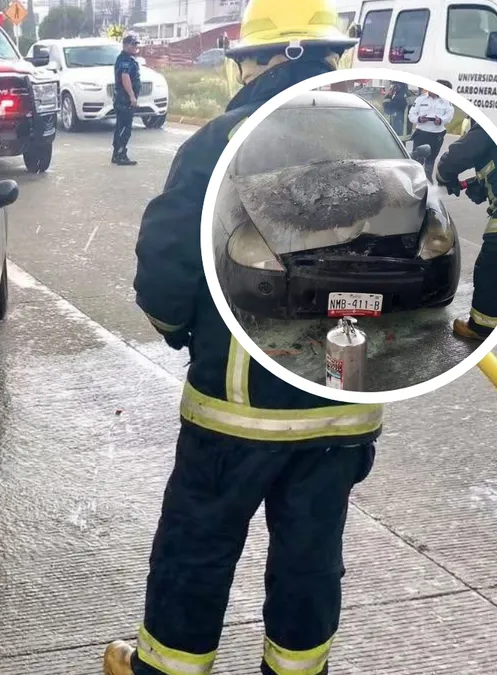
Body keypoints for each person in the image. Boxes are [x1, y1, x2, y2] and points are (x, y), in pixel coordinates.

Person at [102, 1, 383, 674]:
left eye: (242, 59)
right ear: (328, 56)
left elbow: (166, 269)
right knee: (312, 554)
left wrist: (182, 333)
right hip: (345, 396)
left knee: (196, 545)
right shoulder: (377, 134)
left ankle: (165, 668)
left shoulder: (223, 139)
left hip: (240, 405)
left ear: (263, 59)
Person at [436, 118, 497, 341]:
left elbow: (454, 159)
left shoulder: (487, 125)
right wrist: (477, 184)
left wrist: (443, 176)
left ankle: (482, 328)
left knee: (492, 270)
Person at [408, 83, 456, 181]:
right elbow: (411, 115)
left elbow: (450, 115)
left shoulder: (445, 101)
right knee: (417, 160)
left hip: (436, 134)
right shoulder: (420, 99)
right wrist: (419, 119)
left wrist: (441, 120)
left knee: (430, 160)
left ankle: (428, 181)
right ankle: (415, 180)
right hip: (422, 133)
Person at [112, 33, 142, 166]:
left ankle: (117, 154)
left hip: (122, 99)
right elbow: (125, 77)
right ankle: (120, 155)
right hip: (124, 100)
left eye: (136, 44)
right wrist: (131, 96)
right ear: (125, 45)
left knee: (121, 127)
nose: (135, 47)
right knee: (125, 128)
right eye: (132, 44)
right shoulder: (125, 60)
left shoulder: (126, 58)